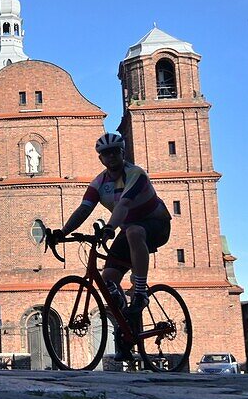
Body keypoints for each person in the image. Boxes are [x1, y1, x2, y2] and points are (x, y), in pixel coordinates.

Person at [53, 132, 172, 360]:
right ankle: (126, 334)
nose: (111, 157)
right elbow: (83, 209)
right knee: (108, 278)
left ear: (122, 153)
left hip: (156, 223)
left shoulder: (135, 174)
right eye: (105, 154)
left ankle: (140, 292)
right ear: (100, 159)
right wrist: (63, 232)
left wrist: (110, 228)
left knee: (135, 231)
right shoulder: (99, 183)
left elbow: (124, 205)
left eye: (115, 152)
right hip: (126, 229)